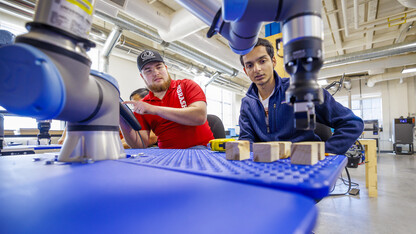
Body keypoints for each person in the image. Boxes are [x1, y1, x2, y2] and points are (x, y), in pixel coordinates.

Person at [238, 38, 364, 155]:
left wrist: (324, 153)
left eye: (262, 61)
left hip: (304, 165)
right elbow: (246, 140)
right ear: (245, 71)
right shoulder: (247, 103)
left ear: (273, 61)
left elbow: (352, 123)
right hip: (267, 166)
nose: (257, 69)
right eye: (250, 65)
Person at [120, 49, 214, 149]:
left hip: (201, 150)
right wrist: (121, 118)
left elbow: (199, 116)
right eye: (148, 70)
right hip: (167, 156)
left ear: (166, 68)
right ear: (142, 76)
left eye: (159, 67)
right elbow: (140, 144)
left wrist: (154, 109)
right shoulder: (143, 106)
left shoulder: (187, 85)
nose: (156, 73)